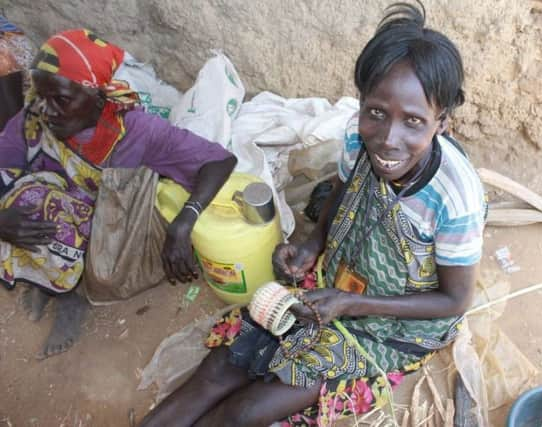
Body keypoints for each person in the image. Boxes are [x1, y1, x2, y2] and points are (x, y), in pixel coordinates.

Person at [140, 2, 486, 426]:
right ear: (361, 103)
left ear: (442, 122)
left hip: (390, 328)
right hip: (332, 285)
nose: (388, 140)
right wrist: (312, 242)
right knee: (219, 369)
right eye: (376, 112)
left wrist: (352, 304)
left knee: (245, 412)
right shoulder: (359, 140)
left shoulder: (454, 196)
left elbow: (455, 299)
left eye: (413, 121)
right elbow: (342, 190)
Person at [0, 29, 237, 359]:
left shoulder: (136, 130)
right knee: (19, 201)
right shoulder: (35, 115)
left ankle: (73, 296)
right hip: (59, 209)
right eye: (42, 95)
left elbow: (220, 161)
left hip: (109, 227)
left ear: (98, 97)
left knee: (53, 212)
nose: (48, 110)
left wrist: (185, 221)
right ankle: (50, 281)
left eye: (62, 100)